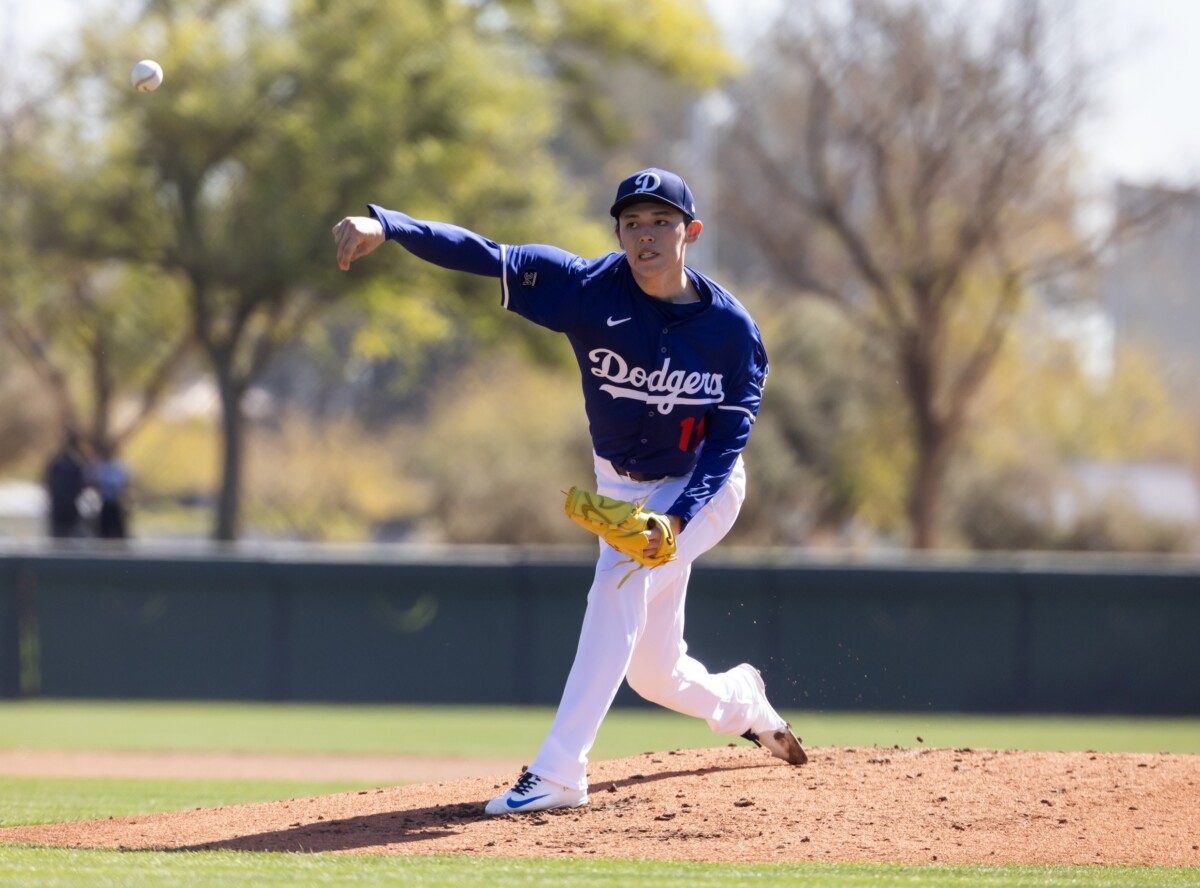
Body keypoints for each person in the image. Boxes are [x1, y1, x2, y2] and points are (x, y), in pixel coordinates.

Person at [332, 167, 806, 816]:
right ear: (616, 232)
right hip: (621, 486)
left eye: (661, 222)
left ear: (690, 232)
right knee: (654, 673)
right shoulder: (586, 289)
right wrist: (388, 226)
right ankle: (742, 702)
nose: (645, 235)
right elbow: (486, 254)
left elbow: (728, 442)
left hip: (702, 487)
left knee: (619, 579)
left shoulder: (731, 332)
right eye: (632, 222)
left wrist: (677, 518)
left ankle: (560, 772)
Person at [44, 430, 87, 539]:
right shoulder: (73, 462)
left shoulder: (70, 462)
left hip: (67, 505)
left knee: (64, 536)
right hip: (62, 505)